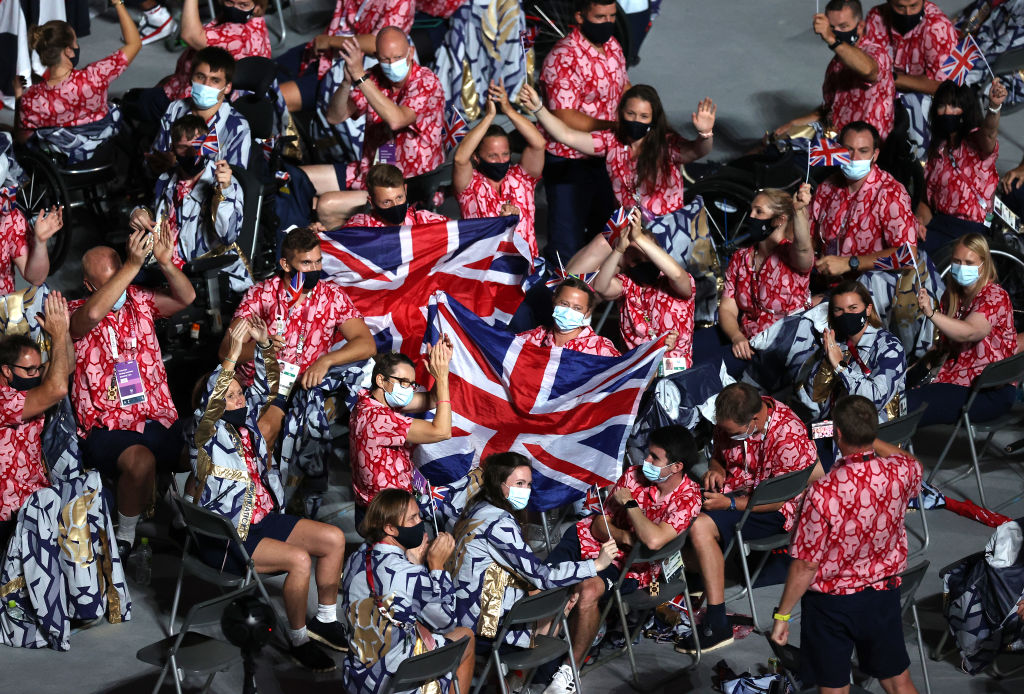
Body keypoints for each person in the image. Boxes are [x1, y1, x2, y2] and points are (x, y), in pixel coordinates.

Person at [193, 317, 347, 671]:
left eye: (237, 393)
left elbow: (270, 389)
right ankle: (298, 640)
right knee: (299, 560)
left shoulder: (248, 427)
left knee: (333, 538)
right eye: (228, 396)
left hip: (263, 520)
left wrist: (263, 347)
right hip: (229, 536)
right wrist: (231, 356)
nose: (237, 399)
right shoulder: (203, 436)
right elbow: (215, 400)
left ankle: (324, 619)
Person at [771, 394, 922, 694]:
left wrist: (782, 615)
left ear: (837, 433)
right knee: (897, 681)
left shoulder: (823, 492)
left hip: (831, 606)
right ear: (872, 431)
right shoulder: (900, 473)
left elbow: (805, 564)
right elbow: (912, 461)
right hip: (882, 594)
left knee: (834, 688)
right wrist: (871, 439)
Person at [541, 426, 703, 694]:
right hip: (587, 540)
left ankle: (570, 670)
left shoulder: (689, 497)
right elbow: (598, 527)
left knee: (588, 590)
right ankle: (523, 665)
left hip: (630, 568)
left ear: (676, 467)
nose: (645, 462)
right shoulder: (632, 476)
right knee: (543, 588)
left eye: (654, 457)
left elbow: (652, 542)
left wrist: (630, 505)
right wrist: (629, 537)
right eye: (647, 454)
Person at [68, 228, 196, 558]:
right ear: (89, 286)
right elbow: (93, 315)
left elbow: (186, 298)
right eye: (113, 283)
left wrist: (166, 264)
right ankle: (124, 537)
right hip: (107, 426)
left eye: (125, 278)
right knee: (142, 461)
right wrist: (132, 265)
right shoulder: (73, 312)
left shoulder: (139, 299)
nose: (121, 289)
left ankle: (185, 520)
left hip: (154, 415)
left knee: (202, 457)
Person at [682, 383, 820, 652]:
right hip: (735, 492)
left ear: (755, 420)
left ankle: (718, 621)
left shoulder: (788, 435)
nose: (728, 436)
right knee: (679, 502)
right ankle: (699, 576)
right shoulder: (730, 419)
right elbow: (720, 456)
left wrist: (730, 503)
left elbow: (779, 498)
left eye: (734, 433)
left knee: (700, 527)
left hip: (775, 509)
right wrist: (715, 469)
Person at [450, 453, 618, 655]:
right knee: (556, 613)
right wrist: (596, 565)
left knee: (550, 596)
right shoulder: (499, 523)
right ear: (498, 484)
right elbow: (542, 576)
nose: (525, 491)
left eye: (528, 484)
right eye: (519, 483)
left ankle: (513, 678)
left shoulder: (478, 506)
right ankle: (520, 676)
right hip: (480, 622)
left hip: (464, 606)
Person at [522, 81, 715, 230]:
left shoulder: (666, 144)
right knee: (586, 264)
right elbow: (566, 135)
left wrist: (705, 134)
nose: (636, 120)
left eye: (643, 116)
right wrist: (538, 108)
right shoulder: (610, 140)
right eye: (631, 114)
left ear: (653, 119)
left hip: (666, 230)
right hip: (627, 229)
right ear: (621, 113)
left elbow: (698, 150)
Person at [342, 488, 475, 694]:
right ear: (390, 528)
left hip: (360, 677)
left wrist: (412, 563)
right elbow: (446, 622)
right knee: (466, 637)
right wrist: (437, 567)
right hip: (400, 678)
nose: (420, 523)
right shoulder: (410, 573)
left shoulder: (354, 559)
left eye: (418, 515)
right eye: (412, 519)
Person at [224, 226, 376, 390]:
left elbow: (367, 344)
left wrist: (327, 360)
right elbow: (225, 350)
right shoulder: (260, 295)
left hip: (304, 388)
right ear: (286, 264)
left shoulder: (332, 296)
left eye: (318, 261)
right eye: (306, 263)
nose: (314, 269)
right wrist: (261, 347)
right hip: (257, 387)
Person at [538, 0, 628, 264]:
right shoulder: (564, 57)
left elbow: (622, 85)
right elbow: (565, 116)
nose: (607, 23)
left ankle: (595, 296)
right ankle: (558, 300)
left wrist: (642, 110)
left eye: (612, 16)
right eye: (600, 17)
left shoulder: (612, 46)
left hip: (606, 156)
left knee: (605, 233)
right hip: (569, 160)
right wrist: (613, 127)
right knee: (567, 241)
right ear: (580, 16)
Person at [694, 186, 814, 377]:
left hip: (776, 347)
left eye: (759, 212)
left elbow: (803, 249)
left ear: (779, 220)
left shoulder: (791, 257)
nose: (751, 216)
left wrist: (799, 211)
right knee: (687, 348)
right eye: (751, 210)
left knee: (702, 371)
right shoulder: (741, 257)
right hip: (743, 336)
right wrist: (736, 336)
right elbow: (727, 308)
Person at [129, 115, 249, 292]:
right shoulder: (166, 180)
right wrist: (139, 213)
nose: (192, 154)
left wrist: (224, 192)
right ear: (173, 149)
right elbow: (155, 214)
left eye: (198, 146)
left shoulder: (227, 183)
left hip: (209, 273)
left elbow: (228, 236)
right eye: (183, 148)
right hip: (166, 264)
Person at [795, 281, 907, 468]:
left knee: (805, 457)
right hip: (835, 428)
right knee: (794, 436)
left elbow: (874, 400)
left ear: (868, 309)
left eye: (853, 308)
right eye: (839, 310)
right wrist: (827, 362)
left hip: (874, 432)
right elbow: (814, 395)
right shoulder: (836, 344)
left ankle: (828, 487)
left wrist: (841, 367)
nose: (846, 315)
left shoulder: (889, 347)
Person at [909, 233, 1017, 427]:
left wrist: (932, 314)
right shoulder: (952, 297)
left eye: (969, 262)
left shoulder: (994, 296)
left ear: (983, 264)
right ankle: (839, 436)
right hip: (953, 378)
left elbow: (970, 331)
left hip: (986, 390)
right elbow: (944, 348)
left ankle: (872, 451)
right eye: (957, 262)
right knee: (890, 395)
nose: (962, 268)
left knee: (905, 406)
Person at [324, 27, 445, 191]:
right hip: (372, 172)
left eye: (398, 57)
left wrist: (359, 75)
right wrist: (346, 83)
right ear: (376, 58)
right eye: (386, 59)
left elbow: (397, 120)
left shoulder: (426, 82)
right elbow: (334, 117)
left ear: (411, 52)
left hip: (408, 183)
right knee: (301, 179)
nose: (393, 64)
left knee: (326, 204)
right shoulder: (373, 76)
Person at [15, 10, 141, 164]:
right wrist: (118, 3)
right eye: (75, 42)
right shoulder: (96, 75)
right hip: (101, 152)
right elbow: (134, 43)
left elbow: (21, 136)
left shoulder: (32, 99)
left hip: (64, 160)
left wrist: (18, 95)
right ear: (68, 51)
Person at [0, 292, 73, 546]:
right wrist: (56, 335)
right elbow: (58, 388)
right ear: (7, 370)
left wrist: (62, 333)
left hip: (35, 498)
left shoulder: (25, 386)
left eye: (38, 368)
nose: (35, 375)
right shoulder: (3, 398)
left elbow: (67, 368)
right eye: (29, 370)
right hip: (7, 512)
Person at [350, 346, 453, 522]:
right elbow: (442, 432)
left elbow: (433, 399)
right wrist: (442, 378)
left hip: (377, 508)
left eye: (412, 384)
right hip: (388, 516)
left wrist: (442, 366)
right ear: (381, 380)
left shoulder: (367, 401)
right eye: (403, 382)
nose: (409, 389)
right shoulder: (379, 419)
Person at [809, 121, 916, 281]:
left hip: (866, 288)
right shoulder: (826, 187)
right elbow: (811, 240)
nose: (854, 158)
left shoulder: (891, 193)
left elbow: (907, 256)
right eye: (848, 150)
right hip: (824, 279)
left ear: (875, 154)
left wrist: (850, 263)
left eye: (863, 151)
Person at [774, 0, 895, 141]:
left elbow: (869, 70)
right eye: (832, 27)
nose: (836, 32)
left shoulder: (876, 52)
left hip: (865, 151)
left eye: (843, 26)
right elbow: (829, 108)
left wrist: (831, 39)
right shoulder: (836, 63)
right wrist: (794, 124)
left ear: (860, 26)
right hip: (836, 143)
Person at [453, 80, 546, 260]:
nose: (501, 160)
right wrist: (489, 116)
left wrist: (508, 109)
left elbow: (539, 143)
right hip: (484, 272)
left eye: (505, 154)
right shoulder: (470, 184)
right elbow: (459, 158)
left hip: (526, 269)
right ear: (477, 157)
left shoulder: (522, 177)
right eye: (493, 156)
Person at [917, 78, 1006, 255]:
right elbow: (926, 202)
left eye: (953, 106)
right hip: (939, 224)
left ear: (965, 110)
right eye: (942, 106)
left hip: (970, 229)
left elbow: (988, 134)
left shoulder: (975, 141)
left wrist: (994, 107)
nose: (947, 112)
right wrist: (918, 223)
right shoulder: (938, 150)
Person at [276, 0, 415, 113]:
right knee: (263, 74)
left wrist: (330, 41)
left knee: (275, 99)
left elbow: (376, 43)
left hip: (349, 70)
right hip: (323, 52)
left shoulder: (402, 2)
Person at [593, 209, 688, 371]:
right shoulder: (626, 284)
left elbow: (679, 277)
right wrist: (619, 250)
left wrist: (639, 237)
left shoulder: (673, 280)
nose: (644, 262)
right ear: (626, 261)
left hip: (674, 371)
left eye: (647, 255)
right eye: (636, 259)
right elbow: (600, 287)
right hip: (636, 373)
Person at [150, 47, 252, 171]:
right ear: (191, 78)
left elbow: (236, 181)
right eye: (200, 76)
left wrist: (178, 166)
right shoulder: (176, 108)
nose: (206, 85)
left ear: (227, 87)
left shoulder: (238, 127)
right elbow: (158, 156)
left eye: (215, 80)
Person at [160, 0, 271, 104]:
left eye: (243, 5)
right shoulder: (256, 22)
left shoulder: (241, 35)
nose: (234, 9)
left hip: (198, 101)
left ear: (257, 7)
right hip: (188, 83)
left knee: (146, 102)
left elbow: (190, 36)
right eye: (230, 2)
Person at [862, 0, 957, 97]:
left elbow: (943, 86)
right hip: (883, 94)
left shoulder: (938, 27)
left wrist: (890, 78)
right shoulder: (876, 17)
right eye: (900, 7)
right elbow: (868, 66)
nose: (908, 13)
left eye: (913, 6)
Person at [518, 277, 620, 357]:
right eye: (564, 304)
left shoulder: (601, 349)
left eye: (577, 308)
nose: (568, 311)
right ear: (554, 301)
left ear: (587, 312)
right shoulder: (533, 338)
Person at [343, 164, 448, 228]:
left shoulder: (425, 220)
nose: (396, 205)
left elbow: (459, 231)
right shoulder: (361, 227)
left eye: (399, 198)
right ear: (372, 202)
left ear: (405, 190)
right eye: (387, 202)